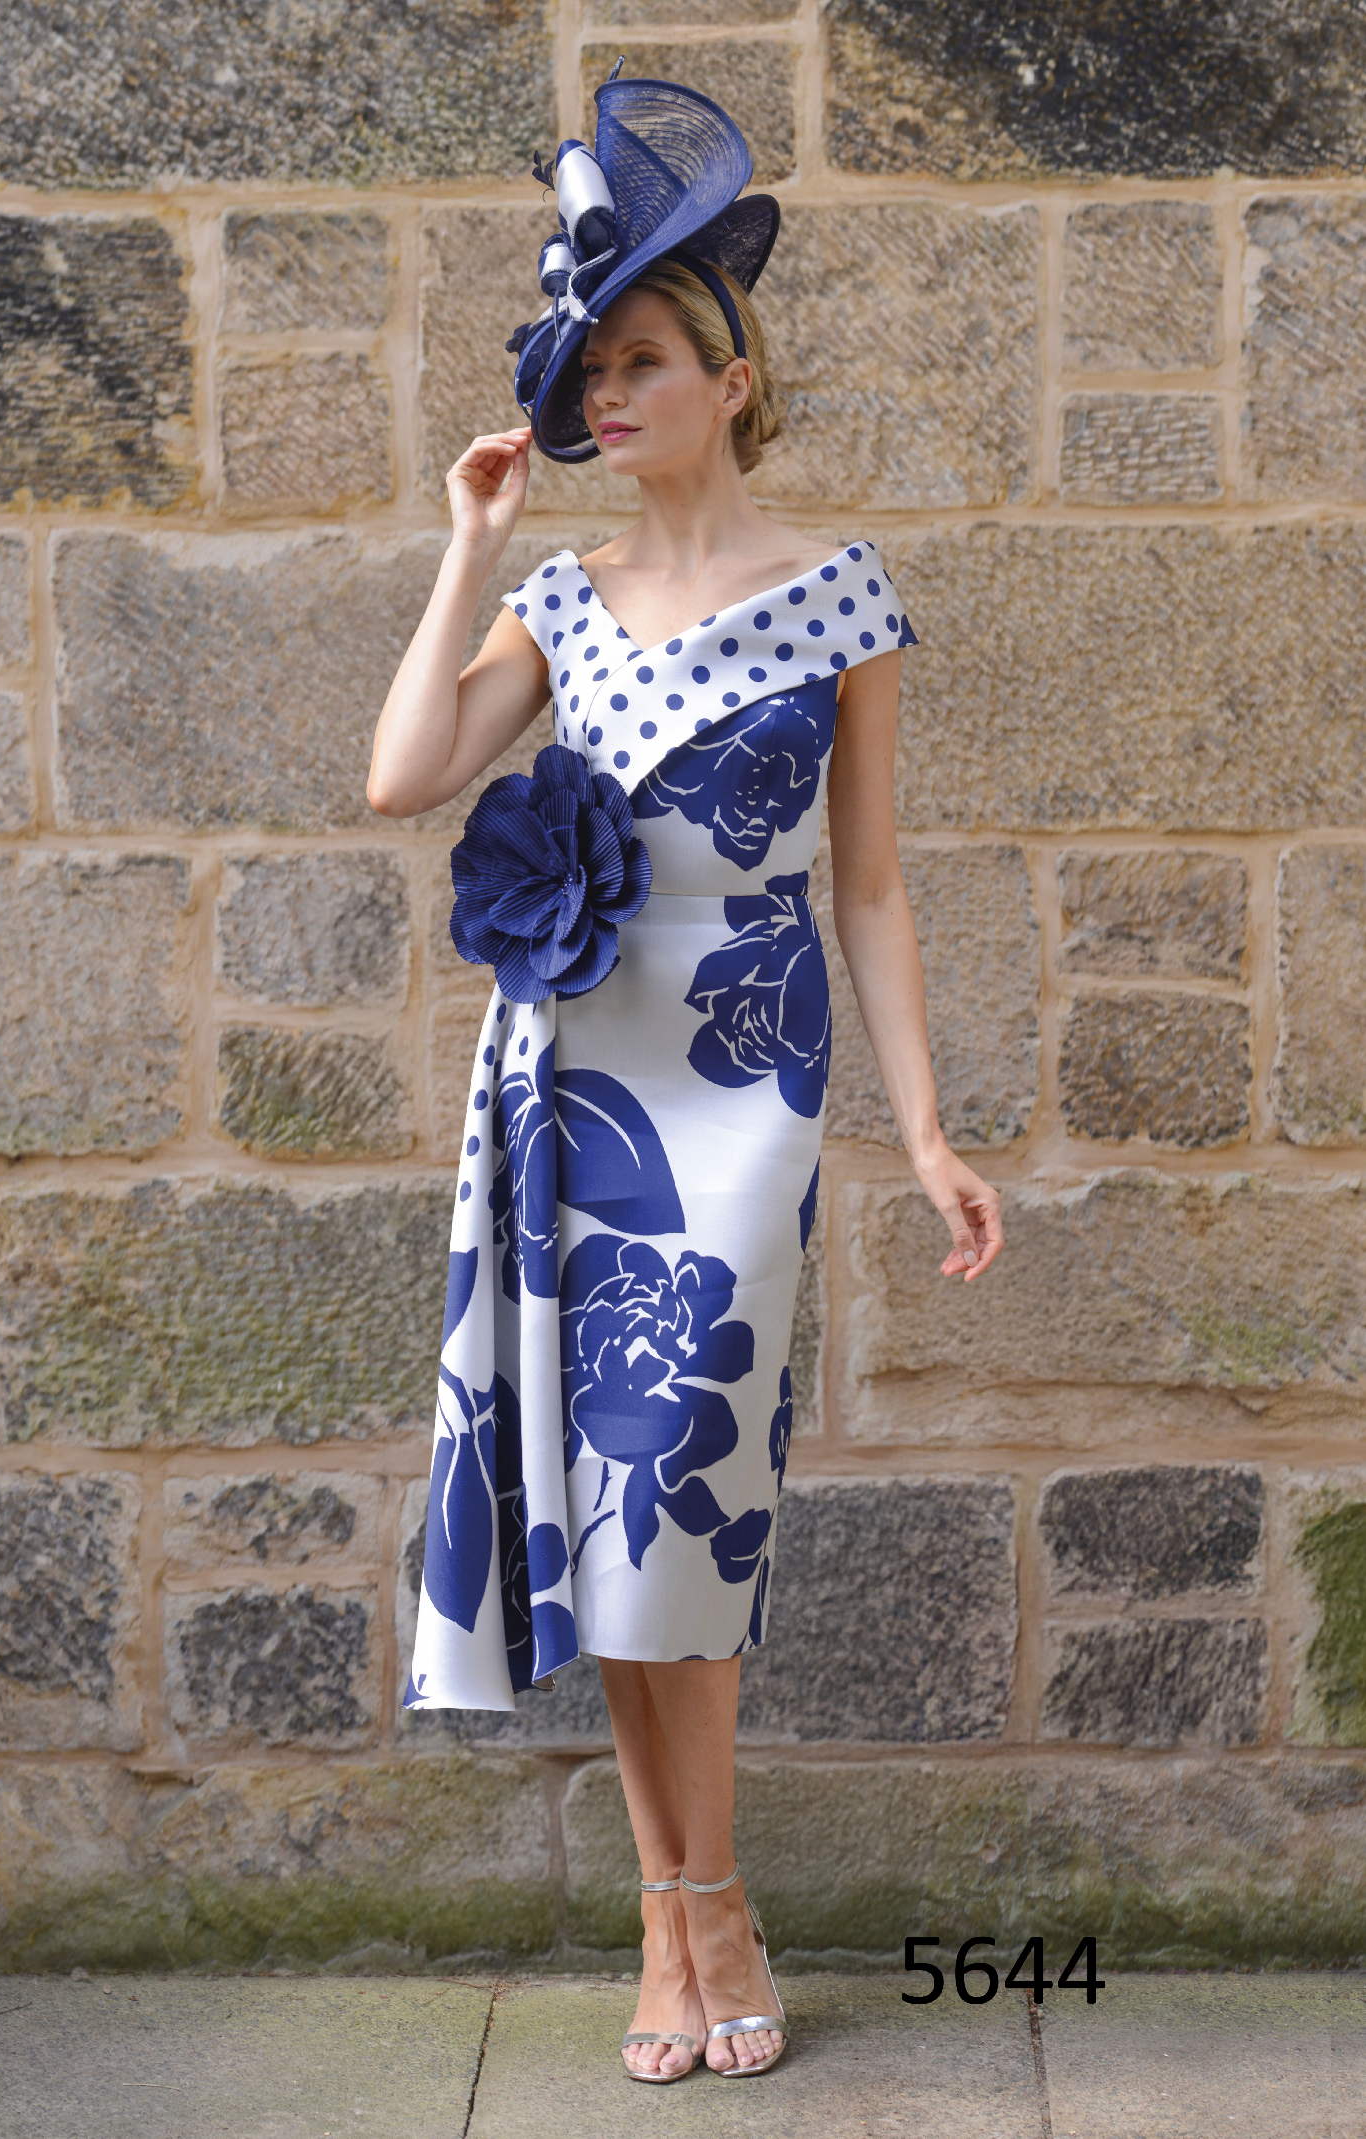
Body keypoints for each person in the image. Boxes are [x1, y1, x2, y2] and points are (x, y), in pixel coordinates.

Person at [367, 73, 1004, 2085]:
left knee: (679, 1492)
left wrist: (921, 1128)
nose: (608, 394)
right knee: (600, 1507)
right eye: (591, 372)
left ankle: (699, 1899)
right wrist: (469, 546)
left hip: (742, 1082)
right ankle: (684, 1918)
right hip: (562, 1074)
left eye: (640, 360)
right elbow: (400, 773)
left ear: (727, 378)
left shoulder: (844, 598)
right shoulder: (555, 599)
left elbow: (870, 888)